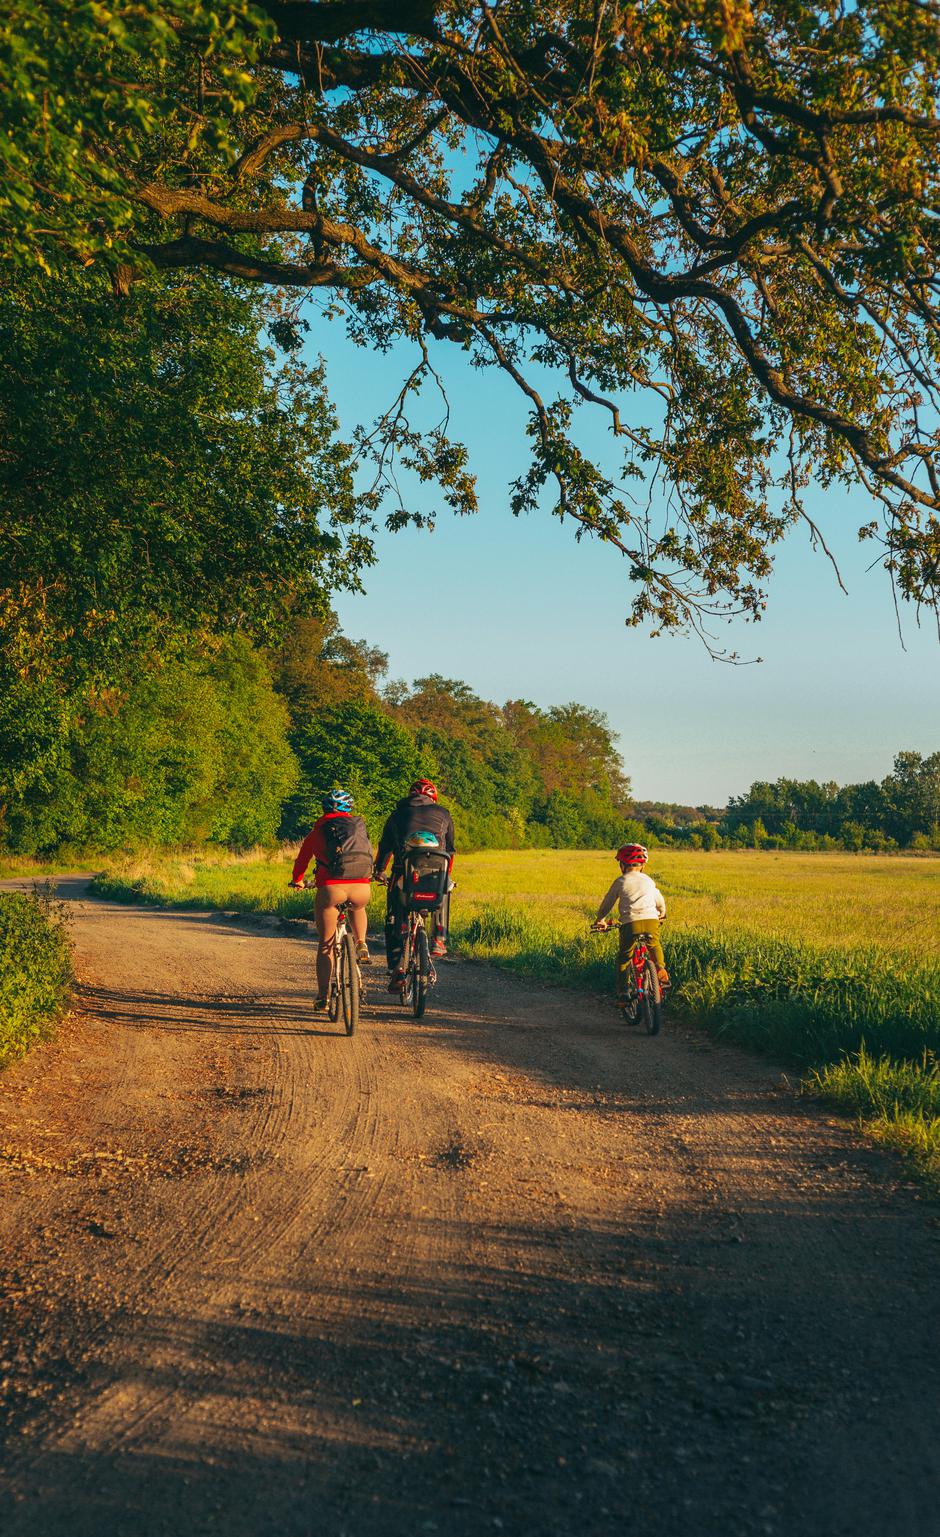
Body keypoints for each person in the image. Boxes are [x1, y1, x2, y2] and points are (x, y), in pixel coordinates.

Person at [290, 789, 373, 1011]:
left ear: (325, 809)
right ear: (349, 809)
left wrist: (297, 880)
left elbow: (302, 861)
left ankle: (323, 996)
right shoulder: (358, 829)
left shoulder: (318, 831)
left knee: (326, 945)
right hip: (361, 887)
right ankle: (361, 943)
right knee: (358, 906)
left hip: (331, 889)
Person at [374, 778, 455, 984]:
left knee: (393, 915)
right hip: (436, 874)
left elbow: (386, 847)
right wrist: (446, 873)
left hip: (404, 874)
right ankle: (439, 937)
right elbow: (450, 849)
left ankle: (396, 966)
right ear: (433, 798)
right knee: (445, 890)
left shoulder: (397, 814)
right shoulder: (444, 813)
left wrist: (379, 871)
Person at [593, 843, 669, 996]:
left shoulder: (621, 881)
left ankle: (623, 993)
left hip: (630, 923)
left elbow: (607, 904)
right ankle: (660, 968)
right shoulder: (648, 880)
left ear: (622, 865)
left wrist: (600, 919)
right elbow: (659, 900)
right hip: (651, 920)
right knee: (654, 945)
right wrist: (662, 912)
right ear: (642, 865)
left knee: (624, 958)